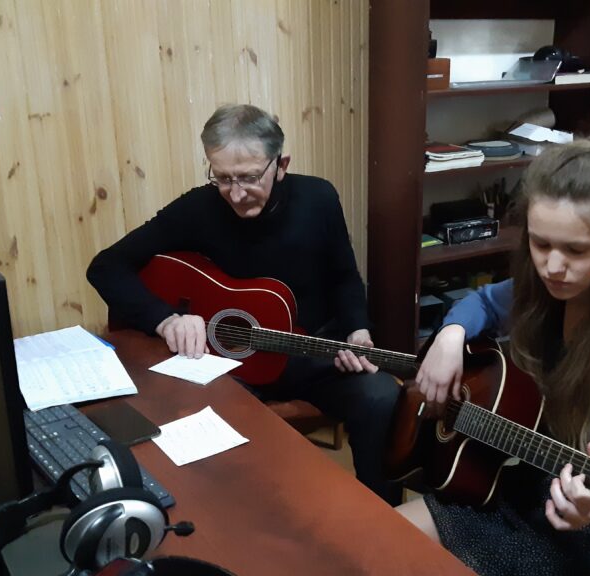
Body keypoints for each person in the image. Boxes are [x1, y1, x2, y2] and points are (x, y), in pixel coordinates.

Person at [397, 137, 590, 575]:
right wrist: (450, 335)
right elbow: (485, 302)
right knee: (379, 535)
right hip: (534, 485)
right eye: (540, 244)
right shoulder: (551, 287)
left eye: (576, 250)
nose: (553, 266)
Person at [87, 104, 401, 505]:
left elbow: (345, 276)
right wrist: (166, 320)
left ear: (281, 165)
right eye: (222, 178)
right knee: (191, 421)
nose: (235, 194)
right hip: (232, 365)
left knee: (380, 396)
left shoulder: (319, 198)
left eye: (249, 177)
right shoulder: (198, 209)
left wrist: (358, 329)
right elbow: (106, 266)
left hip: (311, 354)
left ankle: (388, 518)